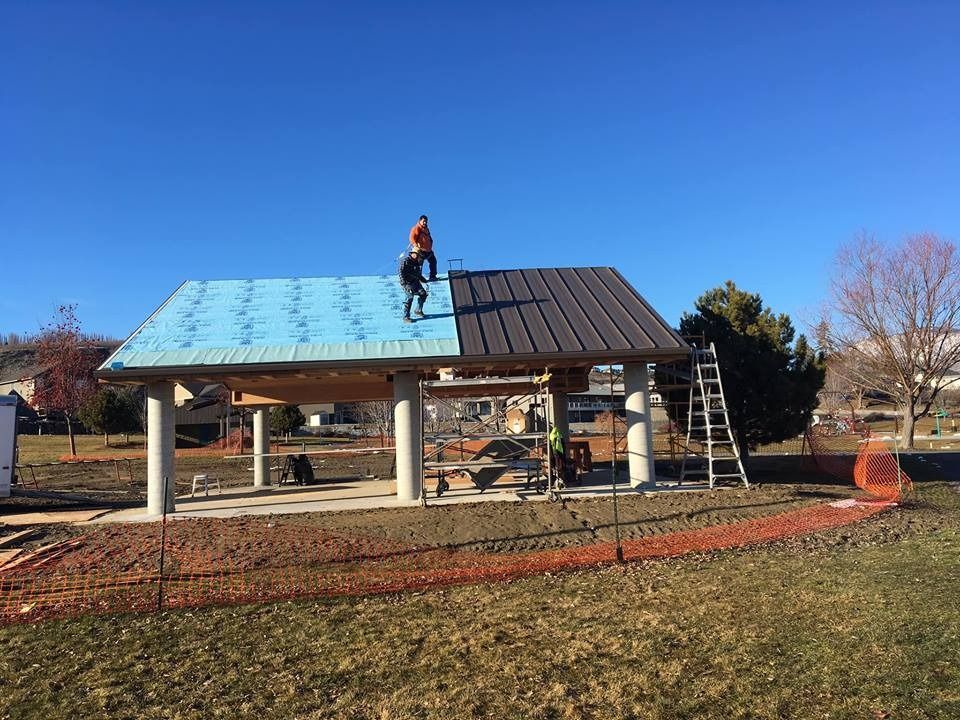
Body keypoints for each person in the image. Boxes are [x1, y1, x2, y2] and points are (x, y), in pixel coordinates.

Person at [398, 248, 429, 323]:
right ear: (411, 254)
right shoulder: (405, 261)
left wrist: (424, 280)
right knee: (409, 297)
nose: (416, 255)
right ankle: (406, 317)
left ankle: (418, 310)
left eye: (417, 254)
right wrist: (404, 284)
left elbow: (418, 275)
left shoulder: (417, 263)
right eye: (414, 254)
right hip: (407, 283)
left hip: (416, 283)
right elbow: (401, 272)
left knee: (423, 294)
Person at [409, 214, 438, 281]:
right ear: (420, 221)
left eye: (426, 221)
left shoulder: (426, 229)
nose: (425, 222)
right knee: (419, 264)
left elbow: (429, 238)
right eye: (423, 221)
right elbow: (411, 238)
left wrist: (431, 244)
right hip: (420, 250)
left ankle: (432, 276)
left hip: (428, 250)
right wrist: (415, 245)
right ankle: (418, 278)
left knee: (433, 261)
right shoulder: (416, 228)